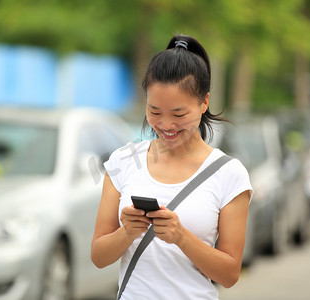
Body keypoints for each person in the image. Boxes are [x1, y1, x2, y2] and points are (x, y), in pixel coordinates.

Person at [91, 34, 253, 300]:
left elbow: (229, 274)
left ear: (204, 102)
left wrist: (180, 237)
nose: (166, 125)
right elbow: (98, 256)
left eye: (179, 114)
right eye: (154, 112)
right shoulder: (122, 161)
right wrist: (127, 232)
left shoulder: (229, 174)